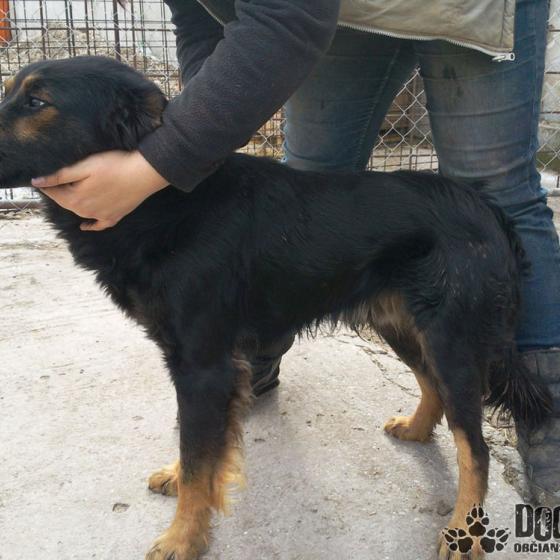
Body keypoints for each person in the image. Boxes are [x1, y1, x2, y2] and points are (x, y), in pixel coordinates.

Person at [33, 0, 559, 505]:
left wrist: (162, 160)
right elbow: (204, 21)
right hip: (349, 13)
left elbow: (289, 12)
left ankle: (543, 416)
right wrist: (198, 139)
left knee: (499, 187)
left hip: (465, 9)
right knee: (312, 180)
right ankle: (242, 358)